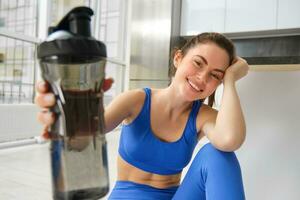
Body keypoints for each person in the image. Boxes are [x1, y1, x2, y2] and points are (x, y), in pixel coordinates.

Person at [35, 32, 248, 199]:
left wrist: (229, 79)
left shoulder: (203, 116)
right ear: (178, 58)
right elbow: (89, 130)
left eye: (215, 75)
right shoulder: (137, 101)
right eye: (198, 63)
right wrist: (68, 108)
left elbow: (229, 140)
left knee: (217, 154)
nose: (202, 77)